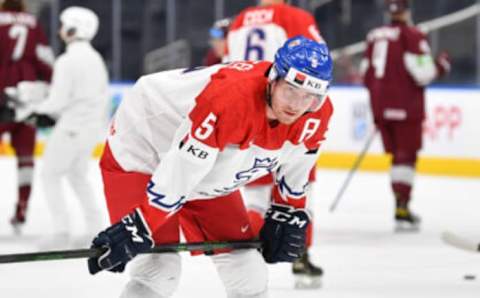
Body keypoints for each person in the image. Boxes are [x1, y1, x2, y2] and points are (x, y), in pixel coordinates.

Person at [86, 36, 333, 298]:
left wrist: (288, 212)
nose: (296, 105)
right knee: (158, 269)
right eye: (291, 90)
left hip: (203, 159)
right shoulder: (230, 101)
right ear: (273, 78)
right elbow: (182, 171)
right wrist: (141, 226)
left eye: (309, 96)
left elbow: (296, 170)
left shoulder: (316, 115)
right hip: (143, 139)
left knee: (248, 271)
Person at [226, 0, 324, 285]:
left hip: (248, 113)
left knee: (256, 196)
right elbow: (319, 60)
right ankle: (300, 255)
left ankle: (245, 254)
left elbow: (230, 67)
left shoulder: (240, 20)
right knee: (298, 186)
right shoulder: (292, 16)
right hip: (288, 110)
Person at [361, 0, 451, 231]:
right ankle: (402, 205)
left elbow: (365, 74)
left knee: (397, 157)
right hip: (406, 106)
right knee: (406, 156)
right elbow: (423, 73)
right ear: (407, 11)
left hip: (380, 107)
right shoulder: (413, 35)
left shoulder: (374, 36)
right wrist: (441, 66)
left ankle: (400, 203)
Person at [30, 6, 109, 246]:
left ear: (73, 28)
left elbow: (58, 100)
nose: (60, 30)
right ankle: (95, 227)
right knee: (78, 176)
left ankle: (61, 230)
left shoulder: (67, 60)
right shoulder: (95, 58)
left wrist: (36, 110)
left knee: (50, 175)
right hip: (90, 129)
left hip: (72, 127)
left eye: (64, 25)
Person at [0, 0, 53, 233]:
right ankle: (21, 211)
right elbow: (46, 62)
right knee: (26, 160)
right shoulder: (33, 24)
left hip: (1, 93)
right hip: (27, 98)